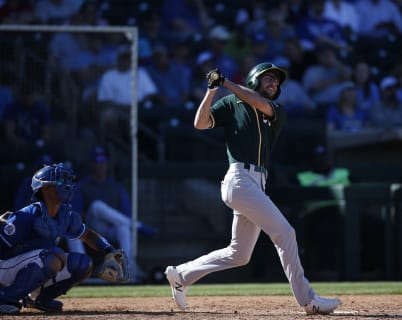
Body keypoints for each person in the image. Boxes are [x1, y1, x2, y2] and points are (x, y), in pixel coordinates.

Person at [164, 62, 341, 315]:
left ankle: (181, 274)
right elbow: (200, 124)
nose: (274, 84)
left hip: (256, 184)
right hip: (239, 179)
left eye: (276, 81)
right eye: (269, 78)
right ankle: (308, 300)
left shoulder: (276, 109)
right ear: (254, 79)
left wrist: (225, 83)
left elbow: (256, 102)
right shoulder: (231, 104)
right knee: (286, 234)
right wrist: (212, 90)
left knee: (239, 254)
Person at [0, 163, 124, 314]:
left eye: (68, 181)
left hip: (29, 265)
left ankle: (37, 299)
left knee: (82, 264)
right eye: (60, 182)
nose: (67, 185)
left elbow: (87, 235)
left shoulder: (65, 214)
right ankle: (5, 299)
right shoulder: (26, 215)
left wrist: (109, 250)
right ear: (45, 188)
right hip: (5, 268)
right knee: (53, 255)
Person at [71, 146, 156, 282]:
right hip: (90, 229)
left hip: (110, 229)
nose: (100, 166)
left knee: (123, 227)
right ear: (92, 163)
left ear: (107, 164)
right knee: (97, 205)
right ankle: (139, 226)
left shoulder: (115, 186)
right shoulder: (83, 185)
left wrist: (111, 218)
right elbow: (76, 214)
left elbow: (126, 214)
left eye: (103, 162)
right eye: (97, 162)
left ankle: (128, 268)